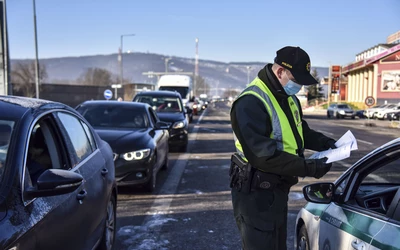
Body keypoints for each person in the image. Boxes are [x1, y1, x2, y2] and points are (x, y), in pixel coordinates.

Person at [229, 46, 337, 250]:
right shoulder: (250, 102)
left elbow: (300, 131)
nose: (299, 87)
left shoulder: (287, 97)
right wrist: (310, 168)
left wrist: (326, 143)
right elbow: (263, 156)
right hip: (256, 197)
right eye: (297, 81)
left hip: (277, 190)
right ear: (280, 72)